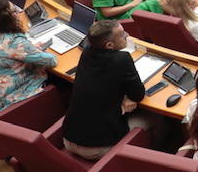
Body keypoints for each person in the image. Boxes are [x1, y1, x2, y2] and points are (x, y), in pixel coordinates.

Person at [62, 20, 147, 160]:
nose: (127, 35)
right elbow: (138, 95)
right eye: (122, 35)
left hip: (68, 138)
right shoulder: (122, 59)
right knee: (158, 120)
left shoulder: (87, 52)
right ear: (109, 45)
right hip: (97, 148)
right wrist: (128, 96)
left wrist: (125, 96)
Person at [0, 0, 57, 113]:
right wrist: (33, 51)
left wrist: (29, 50)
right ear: (5, 19)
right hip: (7, 103)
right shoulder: (13, 42)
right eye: (14, 11)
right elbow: (52, 60)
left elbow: (7, 53)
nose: (18, 13)